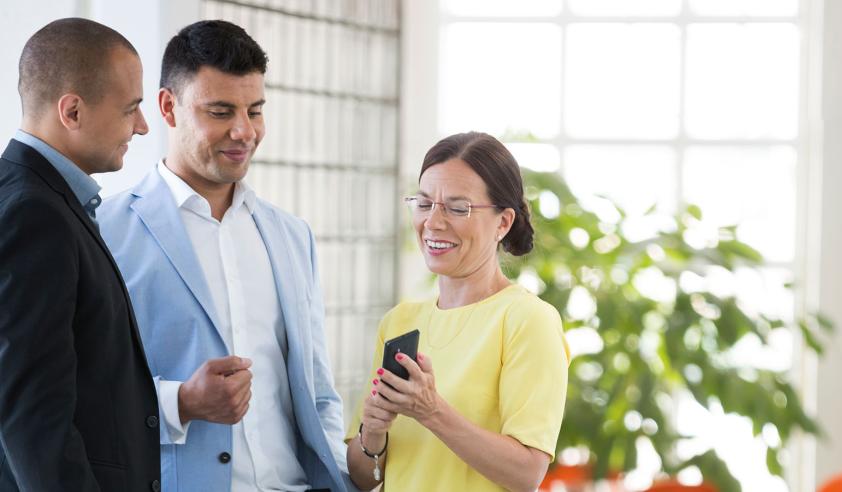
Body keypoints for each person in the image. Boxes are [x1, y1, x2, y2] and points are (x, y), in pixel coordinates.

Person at [98, 20, 352, 492]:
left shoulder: (292, 237)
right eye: (220, 111)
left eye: (255, 111)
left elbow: (318, 395)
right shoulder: (104, 233)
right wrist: (181, 402)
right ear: (168, 108)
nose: (244, 131)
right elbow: (76, 392)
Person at [346, 132, 570, 491]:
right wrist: (372, 433)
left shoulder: (527, 321)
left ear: (503, 223)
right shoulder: (400, 321)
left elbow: (527, 473)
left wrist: (432, 411)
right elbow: (363, 476)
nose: (433, 222)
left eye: (457, 207)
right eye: (424, 203)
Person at [0, 18, 160, 491]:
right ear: (71, 111)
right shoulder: (33, 214)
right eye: (131, 108)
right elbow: (33, 416)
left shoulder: (37, 198)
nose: (143, 126)